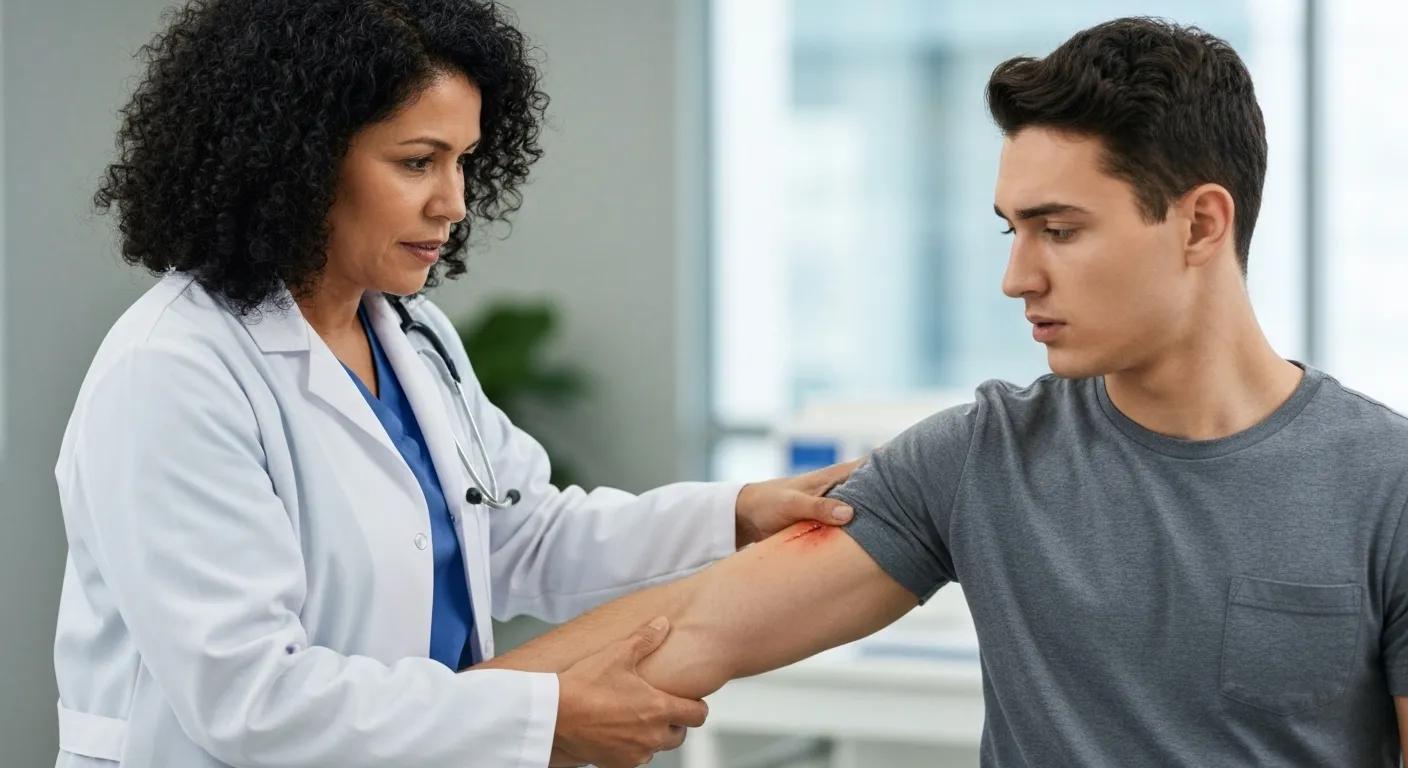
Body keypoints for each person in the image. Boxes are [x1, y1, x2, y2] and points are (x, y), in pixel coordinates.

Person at [481, 17, 1408, 766]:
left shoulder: (1387, 485)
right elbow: (681, 629)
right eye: (1012, 228)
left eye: (1059, 230)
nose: (1017, 278)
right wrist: (422, 726)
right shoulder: (979, 458)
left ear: (1200, 223)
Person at [51, 2, 858, 767]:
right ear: (297, 159)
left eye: (464, 161)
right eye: (417, 162)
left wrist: (736, 513)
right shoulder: (173, 371)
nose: (455, 202)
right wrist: (545, 720)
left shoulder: (410, 333)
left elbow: (525, 534)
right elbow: (249, 698)